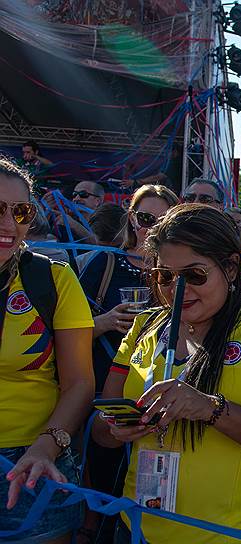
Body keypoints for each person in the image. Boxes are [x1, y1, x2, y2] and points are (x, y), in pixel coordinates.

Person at [90, 204, 241, 544]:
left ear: (231, 268)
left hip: (235, 534)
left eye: (195, 275)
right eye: (165, 276)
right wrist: (119, 425)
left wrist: (210, 408)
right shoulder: (144, 327)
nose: (179, 289)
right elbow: (100, 431)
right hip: (137, 528)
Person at [0, 158, 94, 543]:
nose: (8, 223)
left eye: (20, 211)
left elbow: (79, 384)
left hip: (34, 463)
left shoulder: (53, 279)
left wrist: (46, 447)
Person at [78, 185, 178, 543]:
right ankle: (95, 529)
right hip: (102, 382)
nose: (148, 227)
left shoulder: (176, 273)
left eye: (159, 220)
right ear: (131, 219)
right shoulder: (104, 262)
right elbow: (65, 331)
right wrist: (105, 321)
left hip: (156, 390)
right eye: (143, 218)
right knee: (100, 469)